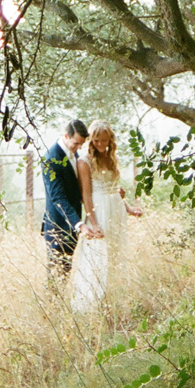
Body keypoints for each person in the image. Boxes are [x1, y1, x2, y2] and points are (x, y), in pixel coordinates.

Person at [71, 120, 142, 313]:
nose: (100, 145)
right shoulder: (84, 161)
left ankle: (114, 303)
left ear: (110, 140)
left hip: (116, 211)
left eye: (104, 140)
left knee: (115, 255)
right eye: (96, 141)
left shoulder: (111, 158)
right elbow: (86, 195)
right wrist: (94, 223)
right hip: (98, 211)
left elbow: (114, 191)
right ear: (91, 140)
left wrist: (128, 208)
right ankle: (90, 306)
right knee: (97, 257)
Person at [40, 118, 100, 283]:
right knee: (55, 275)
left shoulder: (73, 153)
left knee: (65, 272)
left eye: (81, 144)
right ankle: (52, 308)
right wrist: (79, 224)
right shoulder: (51, 159)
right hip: (57, 226)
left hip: (71, 227)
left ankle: (60, 308)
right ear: (66, 135)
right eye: (76, 143)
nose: (79, 147)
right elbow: (58, 198)